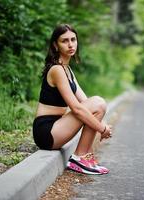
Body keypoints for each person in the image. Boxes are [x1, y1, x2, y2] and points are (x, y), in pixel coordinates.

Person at [32, 24, 112, 175]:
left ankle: (85, 157)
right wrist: (102, 129)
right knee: (98, 102)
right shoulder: (56, 70)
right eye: (64, 41)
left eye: (73, 39)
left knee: (98, 103)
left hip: (56, 128)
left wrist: (103, 123)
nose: (70, 44)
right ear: (55, 45)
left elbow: (85, 101)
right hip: (46, 131)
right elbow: (76, 108)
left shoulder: (67, 69)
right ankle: (79, 157)